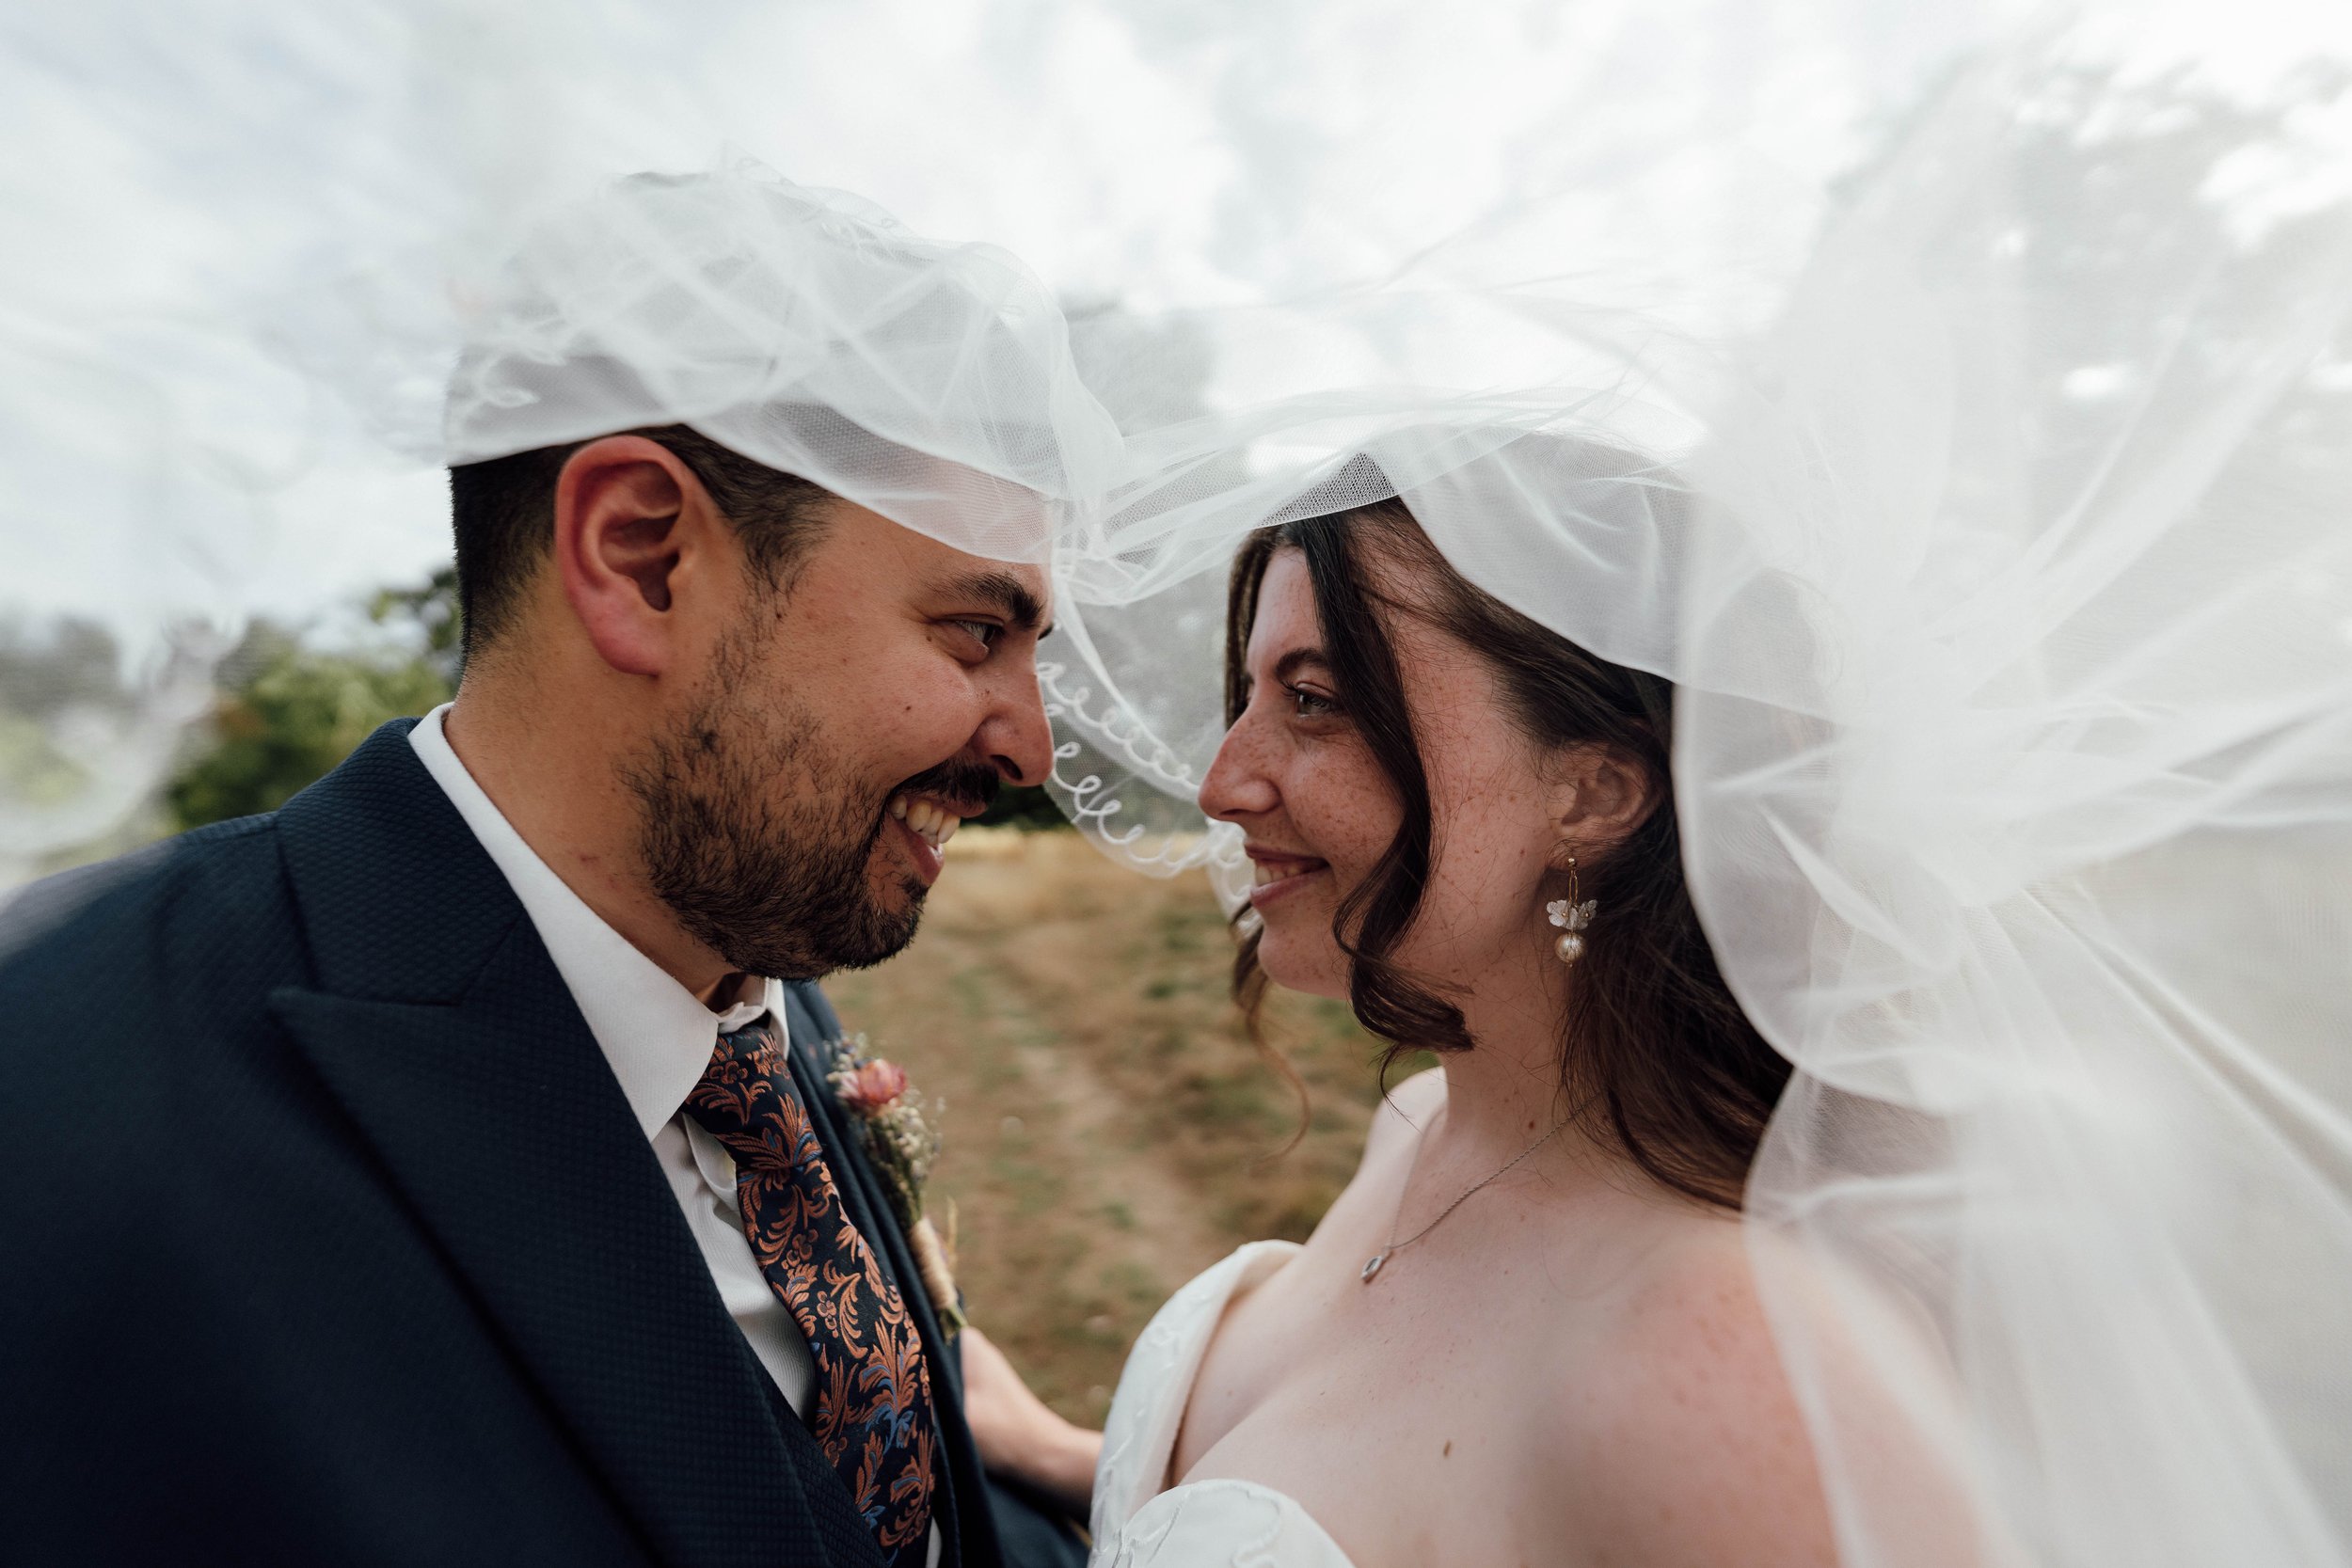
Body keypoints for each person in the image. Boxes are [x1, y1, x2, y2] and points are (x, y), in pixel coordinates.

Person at [0, 169, 1098, 1568]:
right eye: (972, 632)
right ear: (641, 555)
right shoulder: (55, 1088)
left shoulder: (762, 1002)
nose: (1031, 743)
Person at [1079, 465, 1838, 1568]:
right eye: (1247, 693)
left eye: (1314, 700)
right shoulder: (1420, 1124)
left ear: (1590, 795)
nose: (1221, 780)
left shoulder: (1713, 1360)